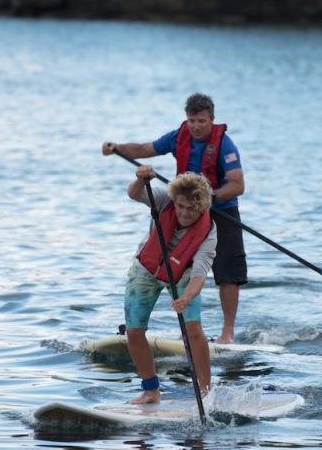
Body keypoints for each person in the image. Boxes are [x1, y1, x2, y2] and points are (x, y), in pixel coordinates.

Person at [103, 92, 246, 344]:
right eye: (191, 120)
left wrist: (209, 197)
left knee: (228, 273)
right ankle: (185, 331)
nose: (196, 126)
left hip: (222, 209)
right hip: (185, 207)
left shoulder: (225, 144)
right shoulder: (178, 137)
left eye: (201, 121)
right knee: (181, 266)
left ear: (211, 120)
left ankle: (227, 333)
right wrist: (118, 149)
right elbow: (145, 149)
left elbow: (237, 185)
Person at [124, 166, 216, 404]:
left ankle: (205, 392)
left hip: (183, 274)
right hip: (146, 269)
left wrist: (186, 298)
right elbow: (134, 194)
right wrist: (139, 178)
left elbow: (199, 275)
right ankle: (151, 391)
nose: (185, 213)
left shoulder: (209, 232)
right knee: (134, 332)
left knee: (193, 329)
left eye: (192, 209)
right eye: (181, 206)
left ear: (203, 207)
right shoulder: (164, 200)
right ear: (175, 200)